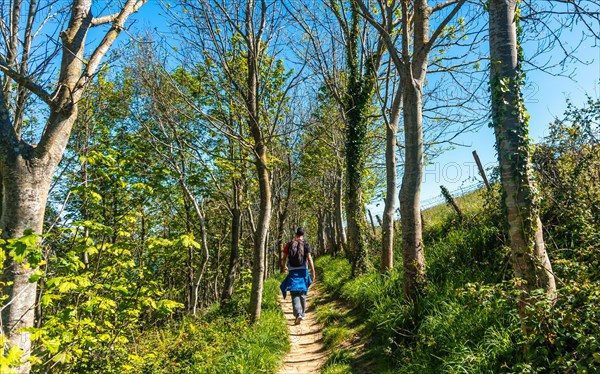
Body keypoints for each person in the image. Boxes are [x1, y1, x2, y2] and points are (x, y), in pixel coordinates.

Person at [279, 227, 316, 325]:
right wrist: (313, 270)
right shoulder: (305, 244)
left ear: (296, 234)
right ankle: (302, 314)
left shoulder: (290, 243)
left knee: (294, 293)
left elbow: (284, 257)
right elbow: (309, 257)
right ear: (303, 234)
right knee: (303, 292)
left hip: (292, 272)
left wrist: (284, 267)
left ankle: (298, 313)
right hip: (303, 271)